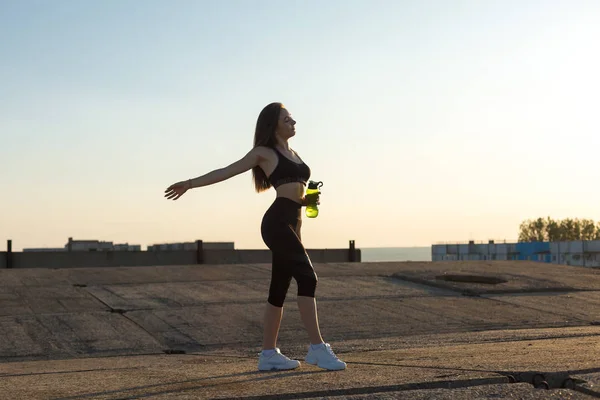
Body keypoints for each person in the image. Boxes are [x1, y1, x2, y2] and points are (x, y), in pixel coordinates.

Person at [164, 102, 346, 371]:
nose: (293, 123)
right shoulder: (264, 152)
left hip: (294, 223)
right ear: (273, 124)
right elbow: (226, 171)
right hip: (277, 223)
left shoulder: (293, 153)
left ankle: (268, 354)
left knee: (279, 289)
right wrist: (189, 184)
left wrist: (309, 199)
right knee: (308, 277)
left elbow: (296, 192)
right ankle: (317, 348)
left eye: (293, 119)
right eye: (287, 119)